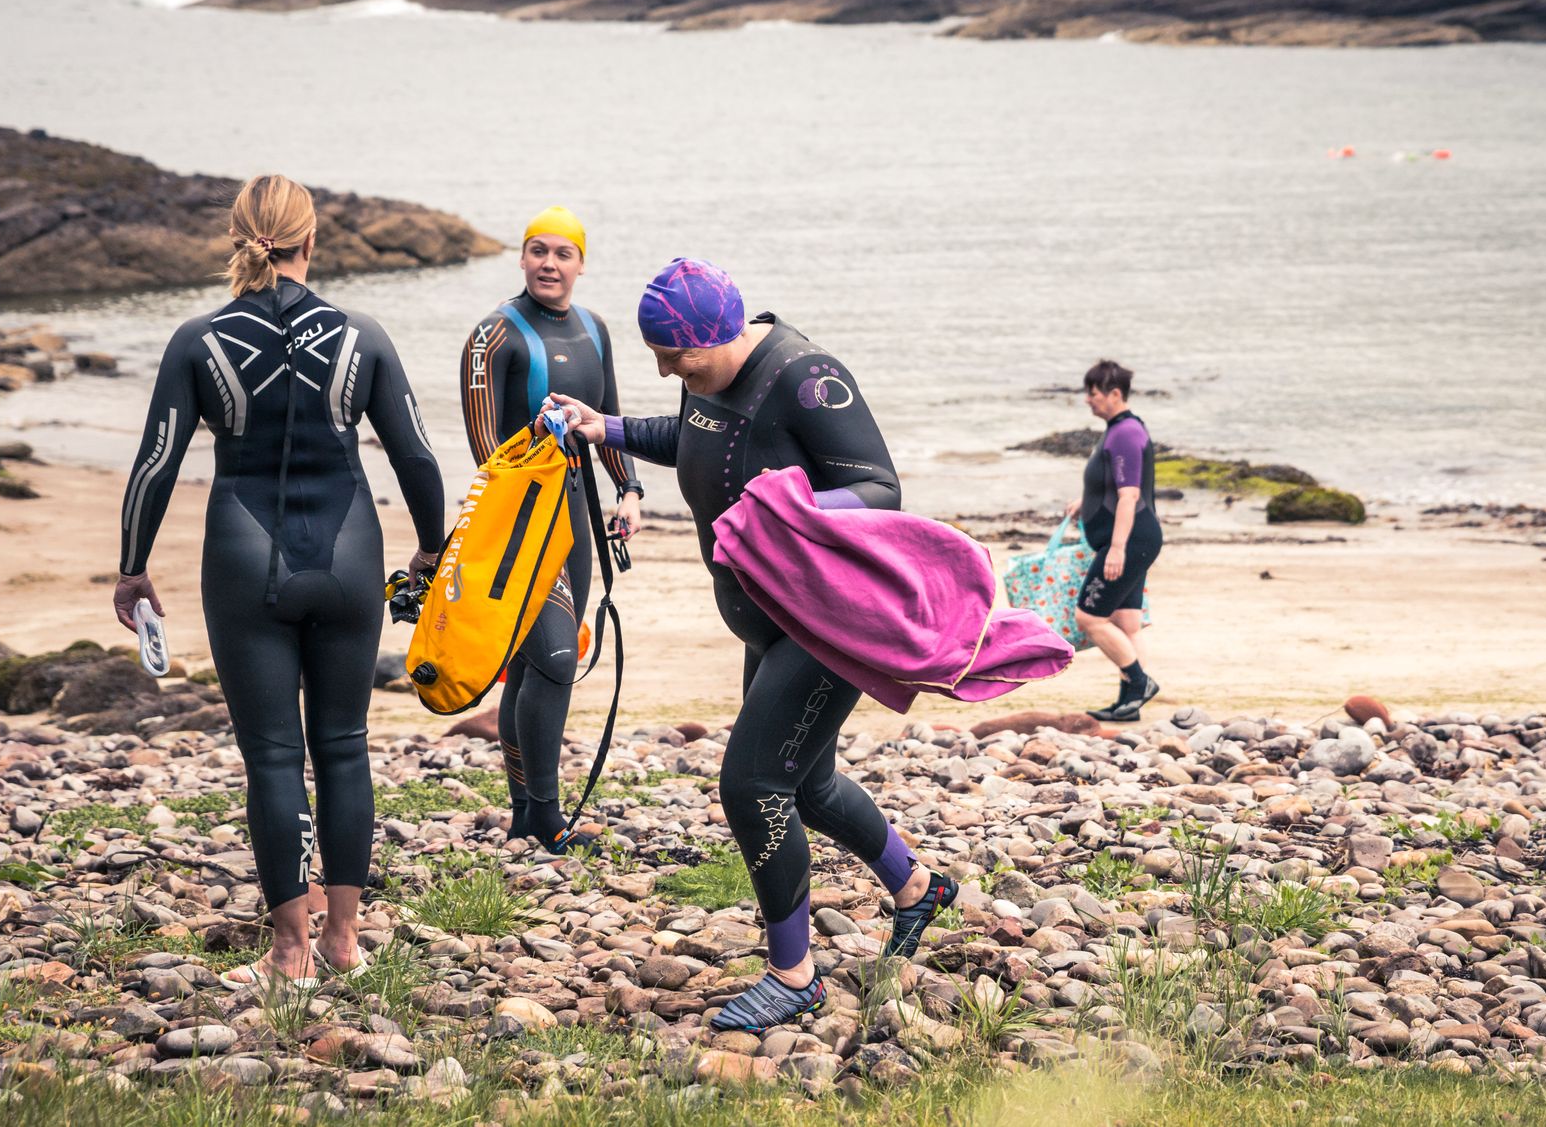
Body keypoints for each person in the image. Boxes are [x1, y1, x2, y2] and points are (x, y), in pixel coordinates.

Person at [545, 257, 956, 1032]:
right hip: (767, 619)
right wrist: (611, 429)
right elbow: (695, 439)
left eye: (675, 355)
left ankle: (794, 974)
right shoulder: (704, 374)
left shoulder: (807, 378)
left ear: (720, 333)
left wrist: (778, 506)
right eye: (659, 354)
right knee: (808, 783)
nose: (665, 367)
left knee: (753, 783)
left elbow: (878, 486)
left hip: (825, 620)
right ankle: (917, 886)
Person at [113, 175, 443, 988]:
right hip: (350, 556)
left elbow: (155, 463)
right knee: (344, 745)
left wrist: (132, 566)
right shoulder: (362, 337)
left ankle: (288, 952)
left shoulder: (198, 340)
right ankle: (345, 940)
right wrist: (431, 552)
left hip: (242, 557)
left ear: (237, 236)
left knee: (270, 754)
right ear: (312, 239)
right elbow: (420, 460)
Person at [460, 206, 642, 852]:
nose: (549, 263)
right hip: (516, 523)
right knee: (558, 659)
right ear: (521, 257)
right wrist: (533, 435)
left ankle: (526, 813)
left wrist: (628, 489)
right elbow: (486, 449)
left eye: (563, 253)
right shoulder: (493, 336)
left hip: (579, 517)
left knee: (542, 664)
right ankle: (545, 809)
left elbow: (608, 418)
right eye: (538, 250)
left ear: (581, 264)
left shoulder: (595, 329)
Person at [1067, 359, 1164, 722]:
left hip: (1130, 540)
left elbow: (1129, 495)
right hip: (1135, 538)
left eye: (1092, 394)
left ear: (1114, 394)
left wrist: (1118, 549)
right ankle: (1129, 703)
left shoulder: (1124, 433)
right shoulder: (1120, 429)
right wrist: (1085, 503)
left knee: (1089, 617)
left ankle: (1139, 683)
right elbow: (1111, 484)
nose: (1088, 401)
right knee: (1126, 623)